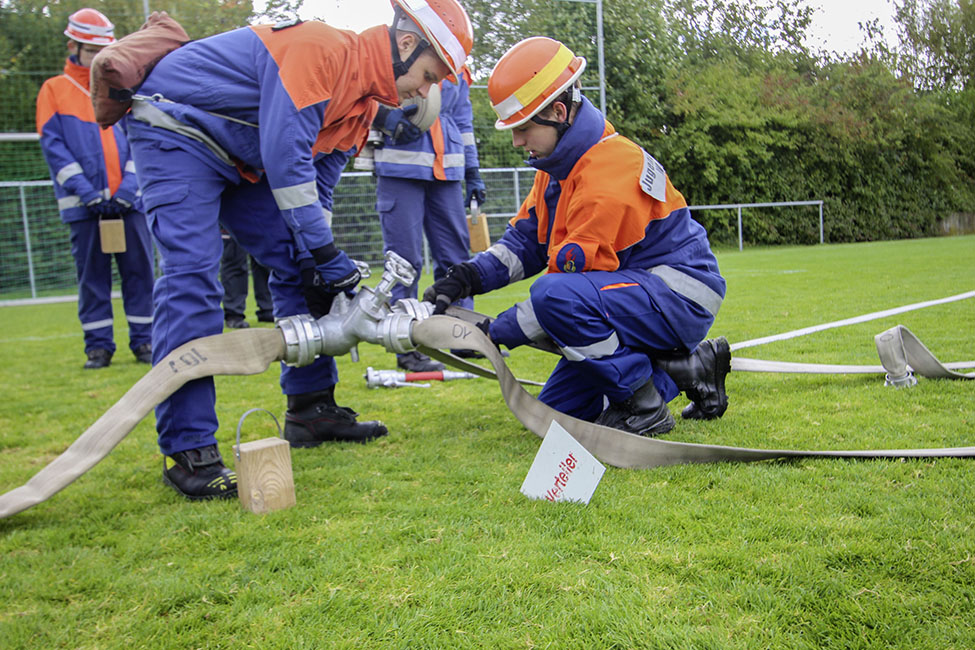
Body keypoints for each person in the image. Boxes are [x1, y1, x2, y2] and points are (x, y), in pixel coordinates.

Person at [123, 0, 474, 500]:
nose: (426, 89)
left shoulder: (364, 106)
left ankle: (310, 412)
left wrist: (322, 260)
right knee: (194, 279)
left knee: (302, 265)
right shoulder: (322, 50)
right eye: (429, 74)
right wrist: (325, 253)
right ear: (405, 44)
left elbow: (318, 191)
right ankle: (188, 451)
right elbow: (287, 163)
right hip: (176, 131)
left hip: (240, 160)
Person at [424, 37, 731, 437]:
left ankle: (644, 406)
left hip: (680, 295)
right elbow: (526, 243)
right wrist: (466, 277)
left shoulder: (607, 172)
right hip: (636, 292)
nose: (517, 141)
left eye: (523, 128)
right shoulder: (558, 167)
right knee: (557, 416)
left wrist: (491, 335)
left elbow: (562, 299)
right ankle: (692, 368)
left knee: (554, 296)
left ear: (558, 111)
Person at [36, 8, 154, 370]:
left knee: (141, 274)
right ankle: (98, 348)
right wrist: (87, 193)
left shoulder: (123, 89)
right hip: (83, 207)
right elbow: (54, 148)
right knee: (92, 280)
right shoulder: (54, 90)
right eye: (91, 51)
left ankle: (145, 342)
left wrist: (128, 189)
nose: (98, 58)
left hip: (129, 204)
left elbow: (140, 141)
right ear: (73, 45)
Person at [372, 62, 486, 372]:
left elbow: (463, 120)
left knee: (455, 259)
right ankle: (406, 344)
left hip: (447, 171)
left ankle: (461, 338)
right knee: (403, 262)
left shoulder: (459, 70)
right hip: (400, 168)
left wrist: (472, 170)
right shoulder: (396, 59)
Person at [220, 227, 274, 329]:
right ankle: (233, 315)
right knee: (234, 261)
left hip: (257, 215)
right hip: (231, 216)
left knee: (264, 260)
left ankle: (268, 309)